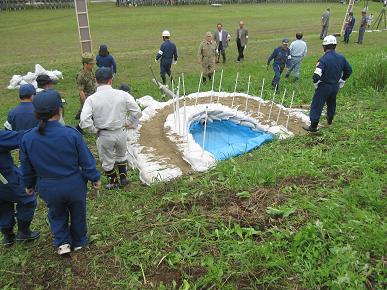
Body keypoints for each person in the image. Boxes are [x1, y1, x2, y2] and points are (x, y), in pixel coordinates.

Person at [20, 89, 101, 255]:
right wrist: (94, 178)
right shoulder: (71, 134)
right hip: (74, 184)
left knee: (56, 214)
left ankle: (62, 242)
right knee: (78, 213)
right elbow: (85, 160)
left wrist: (29, 185)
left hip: (48, 186)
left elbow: (26, 166)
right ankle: (79, 241)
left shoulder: (28, 138)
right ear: (59, 110)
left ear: (36, 113)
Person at [80, 67, 142, 189]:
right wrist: (129, 121)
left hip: (104, 134)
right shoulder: (123, 95)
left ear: (96, 81)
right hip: (121, 131)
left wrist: (93, 130)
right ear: (111, 80)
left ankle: (113, 182)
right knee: (121, 155)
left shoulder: (91, 99)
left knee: (107, 160)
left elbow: (84, 120)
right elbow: (137, 111)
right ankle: (124, 179)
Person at [303, 35, 352, 133]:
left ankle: (313, 126)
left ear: (324, 47)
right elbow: (349, 70)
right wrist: (342, 79)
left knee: (317, 104)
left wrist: (316, 82)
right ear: (335, 46)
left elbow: (316, 75)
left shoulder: (323, 59)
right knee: (331, 102)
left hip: (324, 85)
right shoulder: (341, 58)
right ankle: (330, 120)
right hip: (335, 86)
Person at [0, 130, 40, 247]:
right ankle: (24, 231)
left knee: (3, 204)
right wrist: (42, 124)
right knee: (27, 198)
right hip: (5, 178)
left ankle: (7, 236)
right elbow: (22, 137)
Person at [75, 52, 97, 121]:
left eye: (93, 63)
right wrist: (86, 103)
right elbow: (81, 92)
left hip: (93, 95)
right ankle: (79, 127)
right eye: (91, 64)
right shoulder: (81, 76)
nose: (93, 65)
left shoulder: (90, 71)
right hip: (87, 97)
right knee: (85, 114)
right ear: (85, 64)